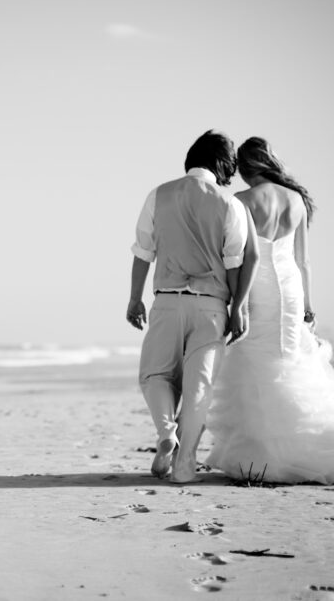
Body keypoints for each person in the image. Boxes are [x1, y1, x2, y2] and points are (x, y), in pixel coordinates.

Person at [205, 137, 334, 484]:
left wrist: (231, 300)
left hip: (259, 287)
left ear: (243, 167)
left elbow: (239, 257)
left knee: (256, 359)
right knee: (291, 360)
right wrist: (309, 306)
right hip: (291, 286)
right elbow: (304, 260)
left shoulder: (242, 201)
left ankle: (269, 455)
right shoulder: (296, 200)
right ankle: (307, 447)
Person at [126, 130, 257, 484]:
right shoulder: (231, 205)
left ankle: (166, 431)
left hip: (167, 301)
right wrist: (237, 309)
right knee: (199, 388)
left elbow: (143, 252)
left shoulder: (159, 194)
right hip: (212, 306)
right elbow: (235, 263)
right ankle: (184, 467)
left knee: (155, 375)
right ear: (223, 165)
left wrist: (135, 297)